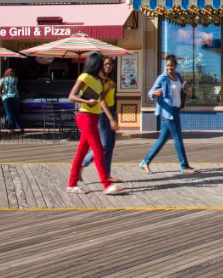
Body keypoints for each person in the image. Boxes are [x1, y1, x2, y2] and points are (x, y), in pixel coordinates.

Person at [65, 52, 125, 195]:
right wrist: (86, 101)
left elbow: (98, 98)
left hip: (94, 116)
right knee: (98, 149)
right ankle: (106, 184)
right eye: (101, 63)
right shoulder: (85, 77)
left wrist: (105, 91)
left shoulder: (97, 80)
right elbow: (71, 96)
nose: (104, 66)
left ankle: (72, 184)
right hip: (85, 116)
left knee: (82, 151)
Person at [139, 54, 198, 174]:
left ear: (176, 66)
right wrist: (154, 93)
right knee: (178, 138)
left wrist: (184, 88)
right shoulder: (162, 78)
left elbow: (183, 90)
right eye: (167, 66)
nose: (169, 68)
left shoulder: (178, 76)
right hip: (168, 112)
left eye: (171, 66)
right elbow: (150, 92)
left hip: (176, 110)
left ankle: (145, 161)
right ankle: (184, 166)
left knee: (162, 139)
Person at [81, 57, 118, 175]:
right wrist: (111, 119)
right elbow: (100, 99)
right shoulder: (99, 80)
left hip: (111, 110)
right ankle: (84, 162)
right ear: (101, 65)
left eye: (111, 64)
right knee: (105, 145)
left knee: (110, 145)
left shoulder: (108, 79)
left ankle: (107, 174)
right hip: (102, 113)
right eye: (106, 64)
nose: (109, 66)